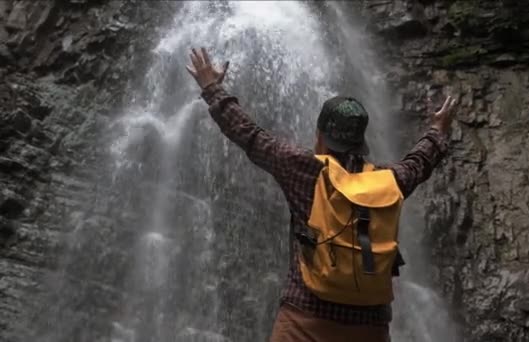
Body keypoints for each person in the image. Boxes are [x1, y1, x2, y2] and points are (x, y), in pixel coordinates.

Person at [186, 47, 457, 342]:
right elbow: (419, 163)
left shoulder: (304, 170)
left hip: (305, 318)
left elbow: (249, 135)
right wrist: (437, 129)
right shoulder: (389, 181)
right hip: (369, 325)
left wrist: (212, 88)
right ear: (360, 142)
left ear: (320, 137)